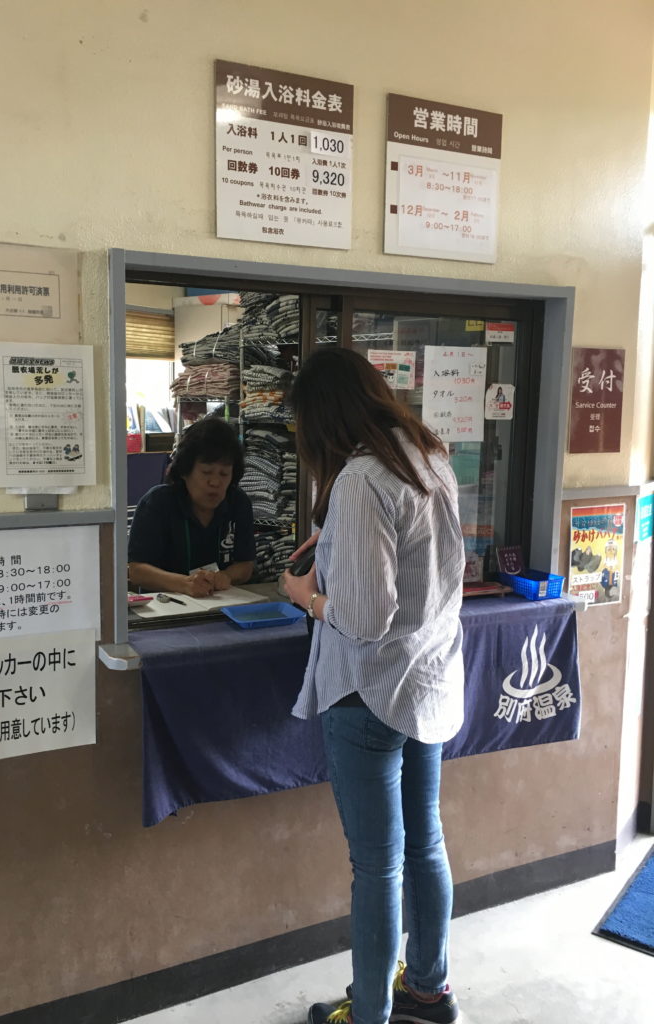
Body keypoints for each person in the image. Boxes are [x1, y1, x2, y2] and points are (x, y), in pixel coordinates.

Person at [282, 349, 465, 1024]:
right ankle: (427, 989)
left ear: (322, 419)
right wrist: (330, 547)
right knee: (425, 844)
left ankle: (370, 1016)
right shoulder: (428, 457)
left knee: (378, 867)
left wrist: (306, 594)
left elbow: (361, 617)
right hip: (426, 682)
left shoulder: (361, 479)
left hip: (367, 695)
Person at [128, 416, 255, 597]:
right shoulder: (157, 503)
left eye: (224, 473)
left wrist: (225, 576)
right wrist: (184, 584)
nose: (215, 482)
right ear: (185, 471)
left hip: (222, 607)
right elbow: (137, 571)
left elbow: (246, 565)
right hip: (167, 610)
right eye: (206, 472)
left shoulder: (238, 503)